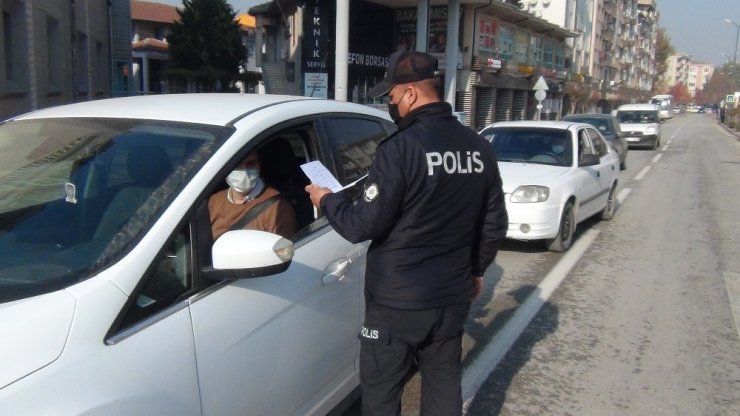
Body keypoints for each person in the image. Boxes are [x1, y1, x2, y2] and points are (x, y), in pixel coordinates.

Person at [305, 51, 508, 416]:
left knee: (382, 392)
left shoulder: (400, 149)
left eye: (393, 97)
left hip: (399, 303)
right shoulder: (478, 147)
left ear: (411, 93)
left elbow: (361, 225)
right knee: (444, 384)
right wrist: (476, 271)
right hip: (451, 297)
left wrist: (327, 200)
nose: (391, 105)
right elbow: (493, 224)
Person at [209, 148, 297, 240]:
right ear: (225, 169)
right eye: (236, 165)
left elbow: (282, 251)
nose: (244, 171)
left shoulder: (278, 207)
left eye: (250, 164)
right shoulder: (213, 201)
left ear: (259, 166)